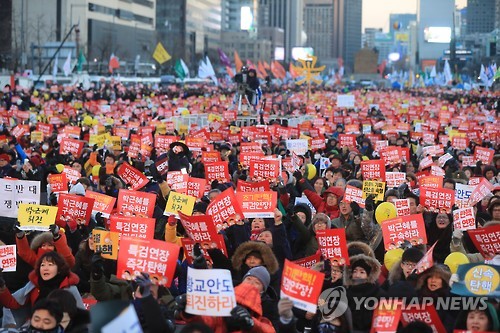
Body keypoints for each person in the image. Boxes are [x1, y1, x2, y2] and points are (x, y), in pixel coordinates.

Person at [0, 252, 84, 328]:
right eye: (42, 265)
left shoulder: (69, 289)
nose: (45, 268)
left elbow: (82, 319)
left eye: (50, 265)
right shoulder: (34, 285)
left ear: (59, 270)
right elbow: (13, 303)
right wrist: (2, 286)